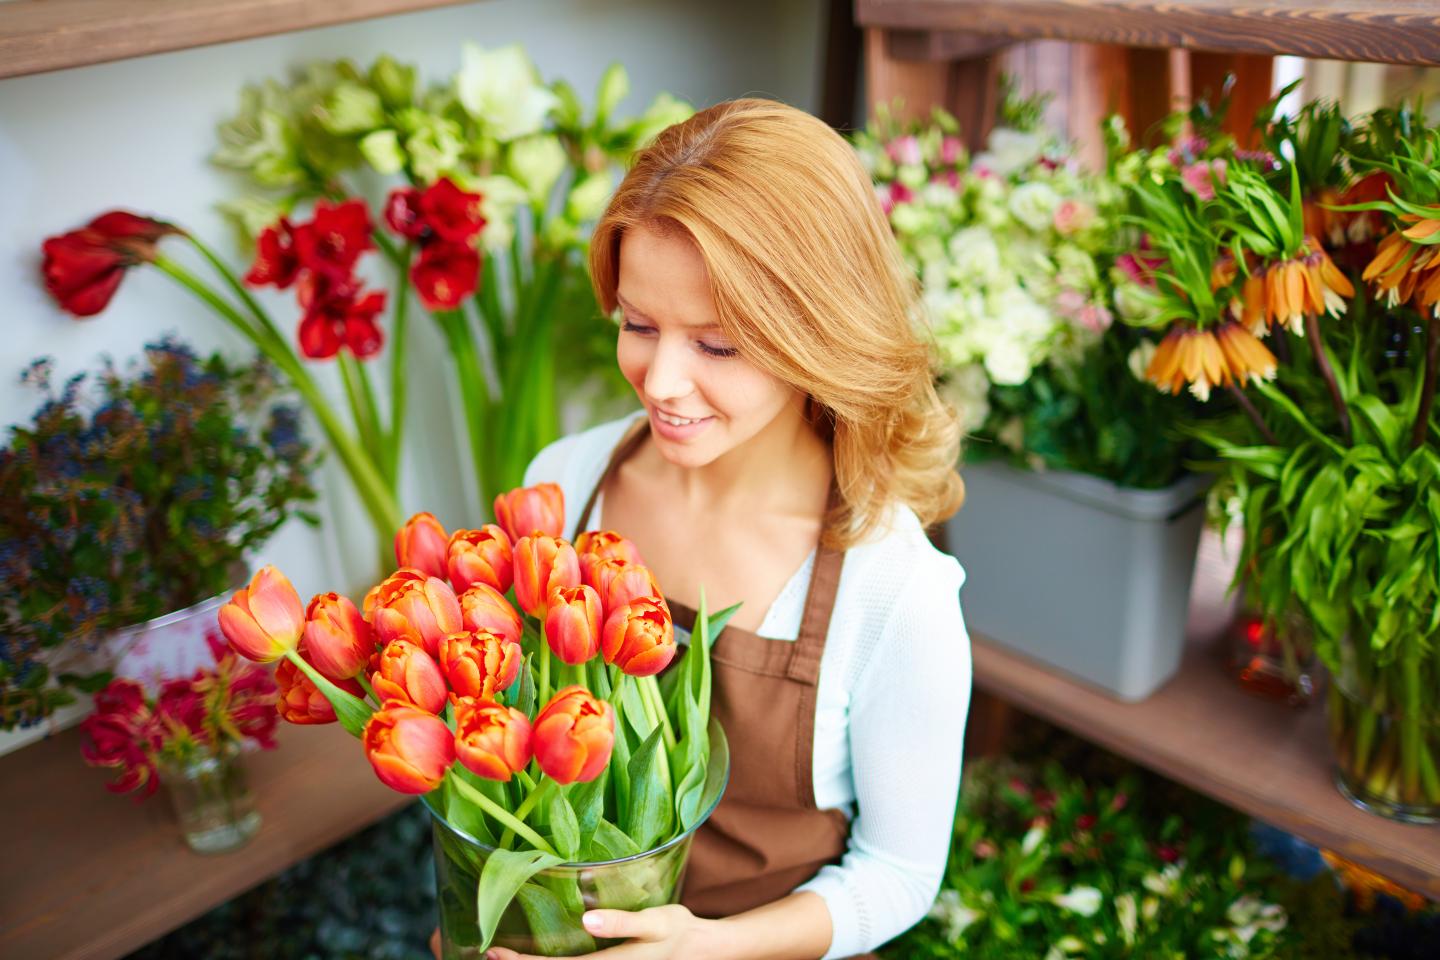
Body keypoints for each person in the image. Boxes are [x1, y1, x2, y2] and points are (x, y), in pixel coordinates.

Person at [492, 98, 972, 960]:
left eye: (716, 346)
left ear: (819, 334)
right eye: (638, 326)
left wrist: (704, 949)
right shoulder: (562, 485)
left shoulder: (891, 592)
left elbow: (897, 874)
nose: (662, 380)